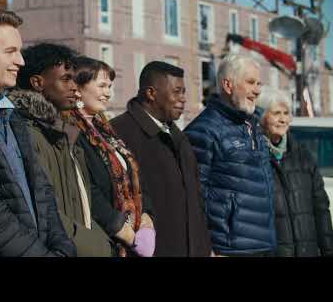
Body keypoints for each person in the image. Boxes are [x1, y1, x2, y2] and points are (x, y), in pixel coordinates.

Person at [0, 9, 76, 257]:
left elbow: (43, 194)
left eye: (19, 51)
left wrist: (64, 248)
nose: (21, 61)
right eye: (10, 52)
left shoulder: (14, 116)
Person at [10, 43, 113, 257]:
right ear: (37, 82)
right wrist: (99, 246)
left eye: (74, 79)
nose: (75, 87)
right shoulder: (28, 132)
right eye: (66, 79)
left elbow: (82, 205)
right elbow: (48, 212)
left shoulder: (66, 133)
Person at [111, 61, 212, 257]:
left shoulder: (179, 138)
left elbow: (197, 203)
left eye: (184, 92)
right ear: (151, 93)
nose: (183, 99)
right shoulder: (119, 133)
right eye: (177, 92)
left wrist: (205, 247)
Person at [184, 53, 276, 256]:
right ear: (228, 85)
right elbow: (194, 197)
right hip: (227, 248)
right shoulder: (204, 130)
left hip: (262, 245)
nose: (257, 90)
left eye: (259, 83)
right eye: (251, 82)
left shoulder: (252, 125)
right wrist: (206, 247)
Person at [70, 56, 156, 257]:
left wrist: (146, 217)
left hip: (132, 237)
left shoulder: (106, 129)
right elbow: (86, 187)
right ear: (79, 88)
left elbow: (134, 175)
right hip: (105, 239)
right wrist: (122, 230)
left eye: (110, 86)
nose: (108, 93)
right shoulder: (73, 131)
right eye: (101, 86)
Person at [256, 86, 333, 257]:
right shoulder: (253, 158)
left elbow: (321, 210)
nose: (283, 119)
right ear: (262, 118)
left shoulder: (304, 158)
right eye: (276, 113)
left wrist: (328, 250)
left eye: (286, 113)